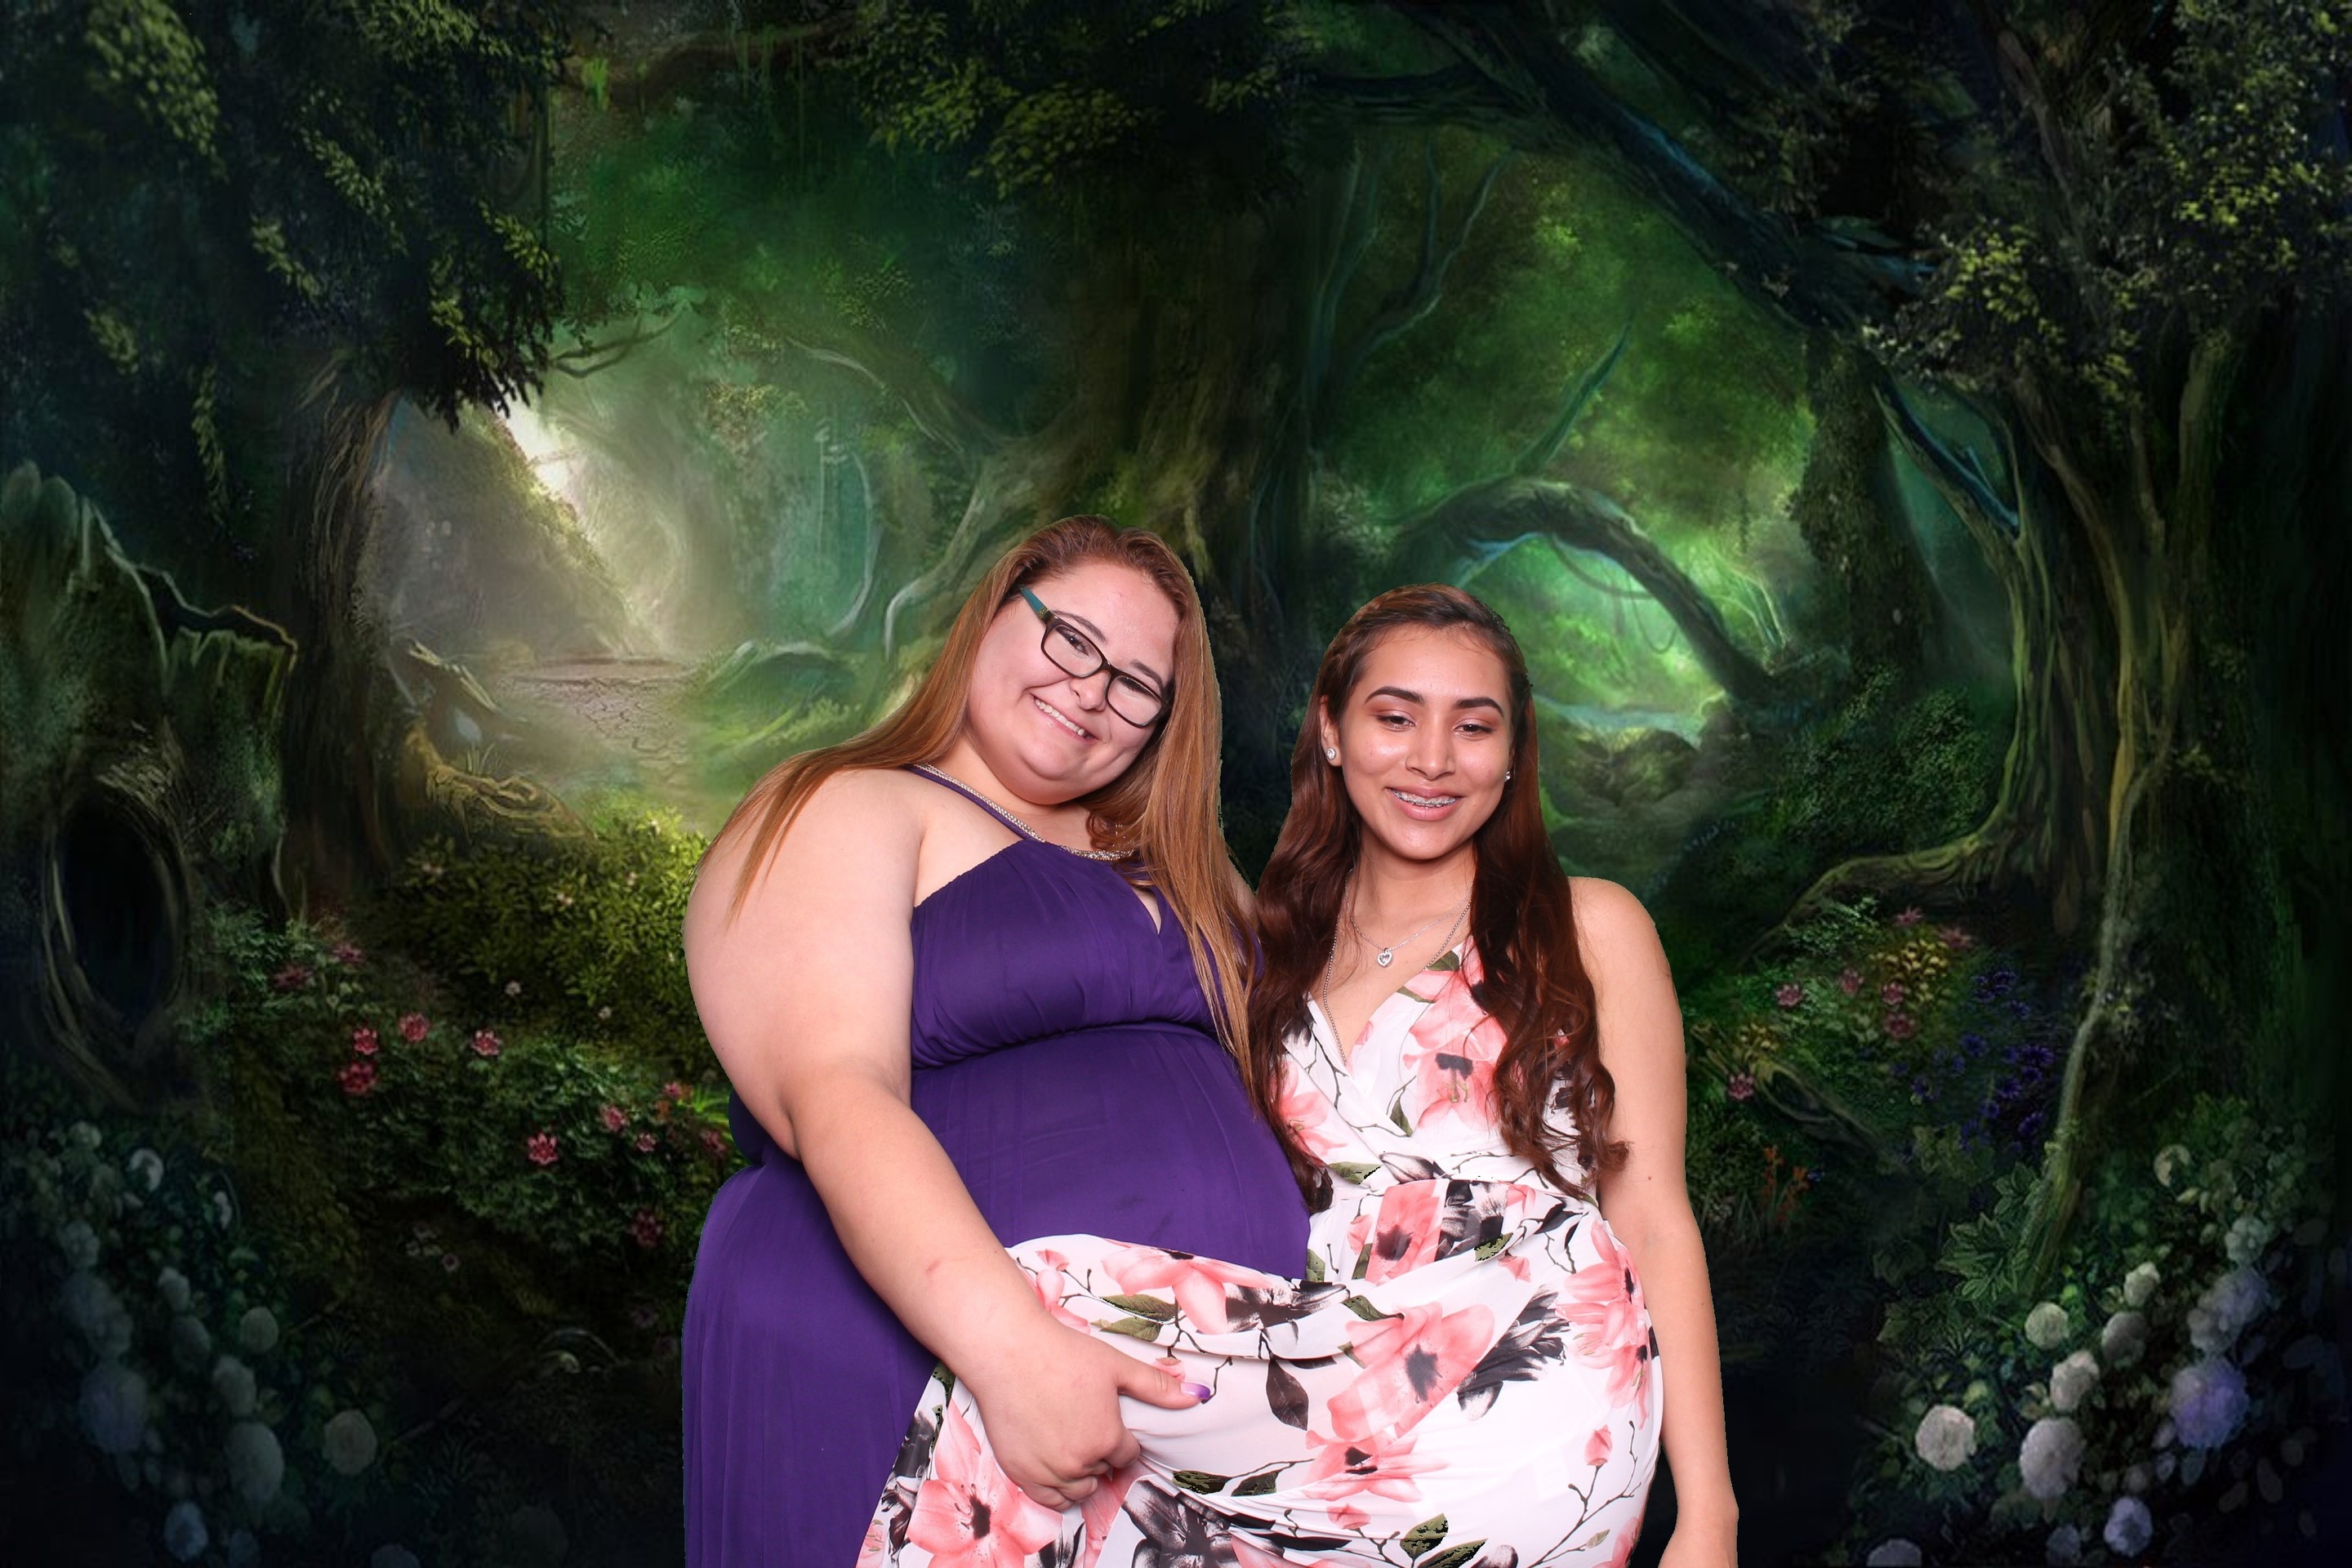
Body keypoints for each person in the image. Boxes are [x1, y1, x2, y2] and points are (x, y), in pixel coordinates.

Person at [862, 585, 1737, 1568]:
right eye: (1395, 717)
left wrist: (1709, 1516)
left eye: (1473, 726)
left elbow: (1655, 1216)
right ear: (1331, 731)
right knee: (1036, 1321)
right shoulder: (1263, 953)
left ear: (1511, 753)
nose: (1432, 759)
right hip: (1313, 1379)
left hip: (1529, 1381)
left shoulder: (1588, 928)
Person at [679, 516, 1309, 1565]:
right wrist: (1013, 1352)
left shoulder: (1181, 865)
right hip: (929, 1362)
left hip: (1197, 1415)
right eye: (1072, 638)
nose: (1091, 690)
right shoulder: (854, 803)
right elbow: (836, 1092)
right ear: (991, 615)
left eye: (1137, 684)